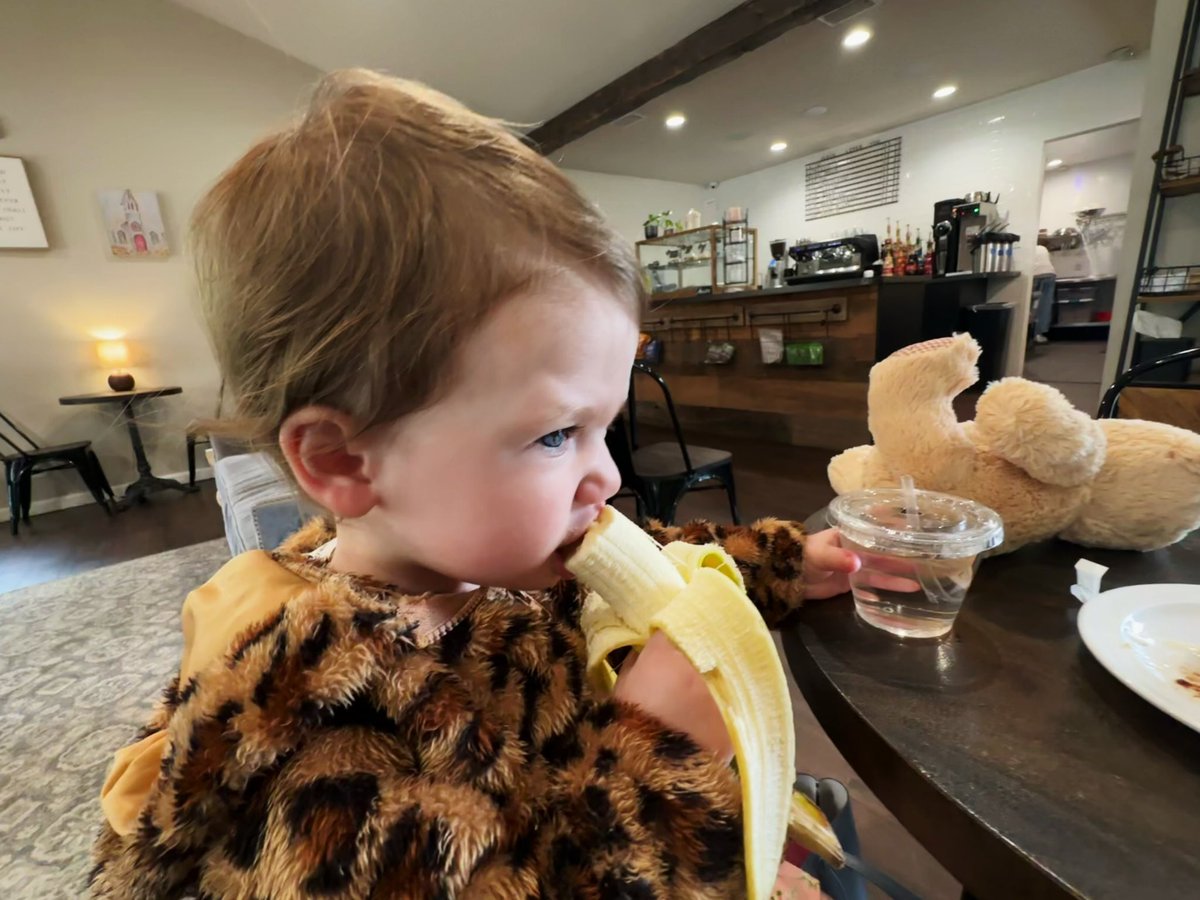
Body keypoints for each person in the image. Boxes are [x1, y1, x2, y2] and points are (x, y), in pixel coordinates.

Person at [90, 69, 861, 899]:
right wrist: (655, 754)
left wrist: (778, 562)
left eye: (605, 426)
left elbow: (658, 562)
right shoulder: (313, 734)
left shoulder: (497, 557)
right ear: (345, 462)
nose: (608, 475)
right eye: (556, 434)